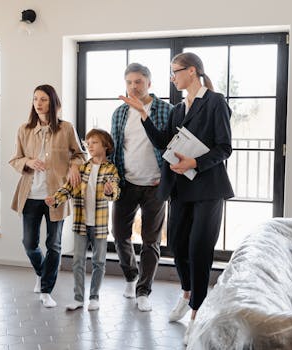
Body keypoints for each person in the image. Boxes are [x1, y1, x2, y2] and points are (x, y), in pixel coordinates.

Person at [119, 52, 234, 343]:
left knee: (198, 250)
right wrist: (144, 115)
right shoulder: (178, 110)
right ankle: (186, 294)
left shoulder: (215, 102)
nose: (172, 78)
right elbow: (162, 142)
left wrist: (194, 162)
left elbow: (224, 148)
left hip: (208, 190)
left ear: (192, 71)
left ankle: (197, 312)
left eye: (175, 72)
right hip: (181, 189)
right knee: (178, 248)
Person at [10, 84, 86, 308]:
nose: (38, 103)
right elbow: (15, 159)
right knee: (29, 243)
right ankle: (42, 272)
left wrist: (73, 166)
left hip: (56, 196)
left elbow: (80, 154)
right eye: (35, 99)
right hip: (31, 195)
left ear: (52, 103)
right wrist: (28, 162)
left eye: (43, 99)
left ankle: (46, 290)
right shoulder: (24, 129)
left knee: (54, 244)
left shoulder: (66, 128)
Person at [109, 63, 172, 312]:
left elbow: (171, 145)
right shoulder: (120, 113)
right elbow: (115, 150)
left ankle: (144, 290)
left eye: (138, 82)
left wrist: (166, 177)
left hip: (155, 186)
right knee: (120, 234)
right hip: (126, 183)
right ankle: (130, 275)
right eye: (129, 82)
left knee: (150, 241)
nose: (133, 87)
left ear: (149, 83)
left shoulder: (166, 110)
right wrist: (111, 179)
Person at [45, 129, 120, 312]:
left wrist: (110, 190)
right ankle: (78, 298)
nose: (90, 146)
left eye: (94, 142)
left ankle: (94, 297)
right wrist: (55, 199)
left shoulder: (110, 169)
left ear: (106, 146)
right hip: (81, 223)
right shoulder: (82, 168)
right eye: (88, 143)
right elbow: (68, 188)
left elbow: (115, 190)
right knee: (78, 261)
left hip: (100, 225)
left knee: (99, 262)